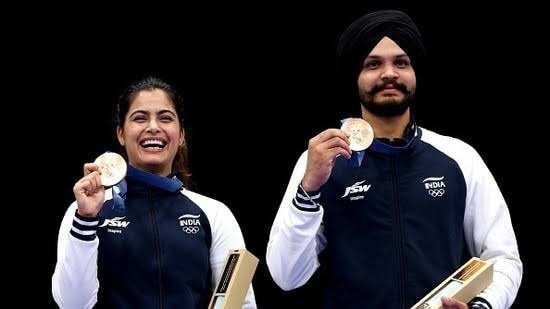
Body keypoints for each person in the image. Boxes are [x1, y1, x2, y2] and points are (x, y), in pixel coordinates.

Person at [266, 10, 521, 309]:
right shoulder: (322, 161)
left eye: (401, 62)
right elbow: (286, 276)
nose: (389, 73)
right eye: (373, 64)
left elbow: (503, 258)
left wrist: (482, 305)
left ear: (414, 73)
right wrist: (308, 190)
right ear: (356, 77)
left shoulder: (459, 158)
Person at [52, 76, 256, 308]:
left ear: (180, 136)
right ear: (121, 134)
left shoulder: (216, 214)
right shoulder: (85, 211)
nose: (153, 127)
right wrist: (86, 221)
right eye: (140, 118)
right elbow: (72, 304)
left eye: (165, 118)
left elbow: (238, 302)